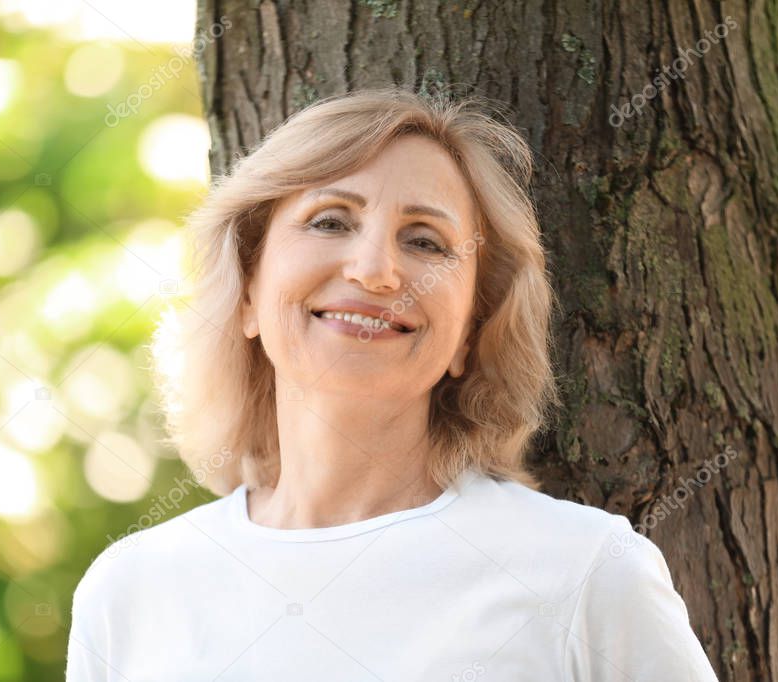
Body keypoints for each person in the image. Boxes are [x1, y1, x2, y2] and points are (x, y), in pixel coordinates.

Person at [65, 86, 718, 681]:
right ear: (246, 291)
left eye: (426, 243)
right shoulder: (132, 591)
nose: (375, 270)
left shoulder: (586, 574)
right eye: (329, 221)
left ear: (468, 331)